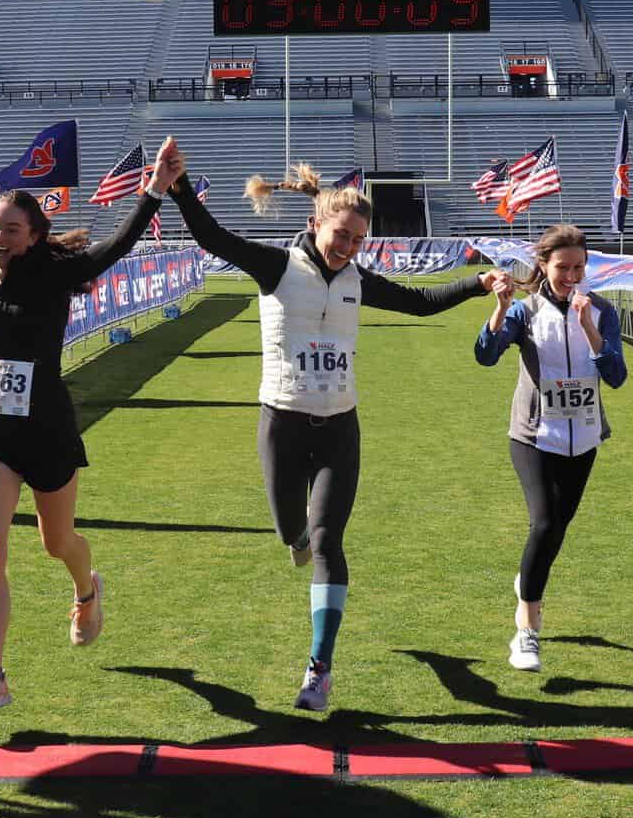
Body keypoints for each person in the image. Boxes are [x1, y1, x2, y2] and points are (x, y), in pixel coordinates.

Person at [167, 156, 506, 712]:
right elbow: (215, 238)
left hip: (338, 429)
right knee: (290, 534)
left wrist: (476, 283)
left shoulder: (356, 279)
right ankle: (295, 539)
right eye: (342, 236)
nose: (349, 248)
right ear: (317, 224)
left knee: (328, 544)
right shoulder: (275, 267)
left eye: (359, 241)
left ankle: (319, 668)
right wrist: (179, 191)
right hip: (281, 422)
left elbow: (418, 303)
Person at [0, 138, 182, 711]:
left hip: (48, 431)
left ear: (33, 234)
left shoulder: (55, 274)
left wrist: (153, 190)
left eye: (9, 229)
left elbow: (116, 247)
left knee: (59, 543)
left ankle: (88, 589)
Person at [474, 225, 627, 672]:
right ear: (544, 266)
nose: (572, 276)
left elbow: (616, 376)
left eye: (579, 267)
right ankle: (527, 630)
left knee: (556, 529)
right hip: (534, 436)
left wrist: (588, 329)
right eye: (563, 267)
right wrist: (500, 311)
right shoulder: (526, 311)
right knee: (543, 523)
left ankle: (528, 579)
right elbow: (486, 355)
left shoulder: (601, 312)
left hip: (584, 439)